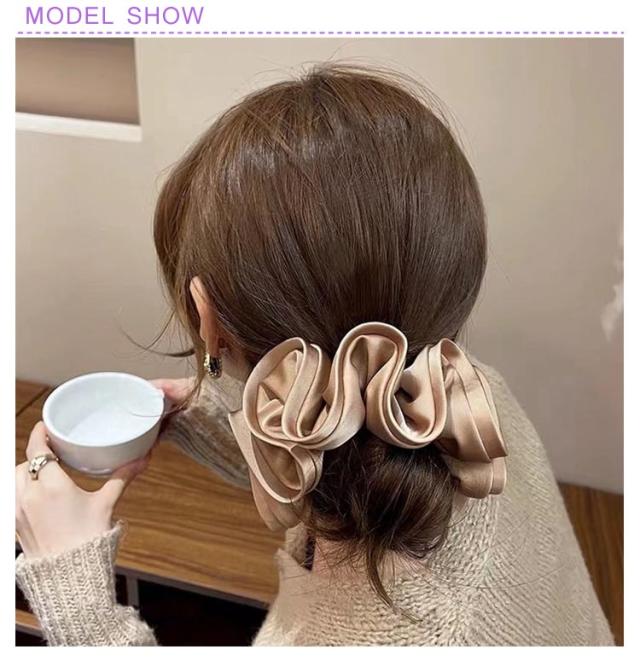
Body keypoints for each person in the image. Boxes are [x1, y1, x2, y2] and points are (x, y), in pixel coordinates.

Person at [15, 64, 614, 646]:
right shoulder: (465, 397)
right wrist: (203, 419)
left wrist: (80, 603)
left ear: (206, 316)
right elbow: (345, 451)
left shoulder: (364, 638)